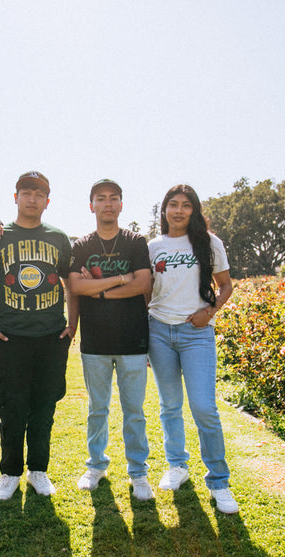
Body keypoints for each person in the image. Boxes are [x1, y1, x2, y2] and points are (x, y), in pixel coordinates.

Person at [0, 170, 74, 500]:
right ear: (15, 197)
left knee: (45, 405)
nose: (32, 199)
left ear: (48, 200)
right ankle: (9, 472)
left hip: (50, 336)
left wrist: (71, 325)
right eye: (26, 192)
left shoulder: (58, 237)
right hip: (11, 336)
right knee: (12, 407)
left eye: (39, 193)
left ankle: (38, 471)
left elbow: (70, 283)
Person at [147, 184, 239, 514]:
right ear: (165, 210)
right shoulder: (153, 246)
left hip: (196, 333)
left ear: (194, 210)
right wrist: (145, 334)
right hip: (158, 331)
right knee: (170, 404)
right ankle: (177, 466)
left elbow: (226, 285)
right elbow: (147, 293)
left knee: (204, 407)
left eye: (186, 205)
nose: (179, 211)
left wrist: (209, 311)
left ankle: (219, 481)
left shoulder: (209, 243)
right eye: (173, 204)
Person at [67, 179, 154, 500]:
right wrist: (119, 280)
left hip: (133, 339)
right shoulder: (81, 246)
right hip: (95, 342)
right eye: (100, 199)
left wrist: (98, 289)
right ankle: (96, 466)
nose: (107, 204)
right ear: (91, 205)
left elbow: (143, 283)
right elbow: (75, 287)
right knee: (97, 409)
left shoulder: (135, 242)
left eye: (113, 199)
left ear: (121, 204)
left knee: (134, 411)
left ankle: (138, 472)